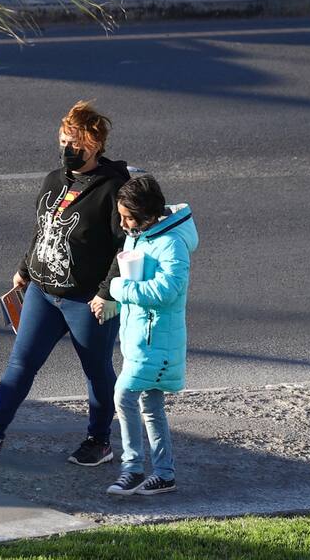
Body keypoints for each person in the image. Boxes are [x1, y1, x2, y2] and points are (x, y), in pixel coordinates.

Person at [0, 101, 129, 466]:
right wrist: (24, 268)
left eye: (77, 144)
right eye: (65, 141)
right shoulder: (54, 180)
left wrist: (107, 292)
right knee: (21, 362)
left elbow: (125, 245)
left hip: (87, 300)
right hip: (43, 291)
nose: (68, 149)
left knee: (97, 371)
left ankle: (99, 440)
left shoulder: (114, 189)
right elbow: (43, 230)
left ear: (95, 145)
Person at [95, 174, 198, 496]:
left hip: (158, 343)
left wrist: (118, 289)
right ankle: (164, 474)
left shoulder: (171, 243)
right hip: (141, 339)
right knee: (151, 405)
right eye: (121, 216)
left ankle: (132, 469)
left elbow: (169, 290)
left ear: (149, 214)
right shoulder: (141, 235)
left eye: (128, 217)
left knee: (123, 396)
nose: (123, 224)